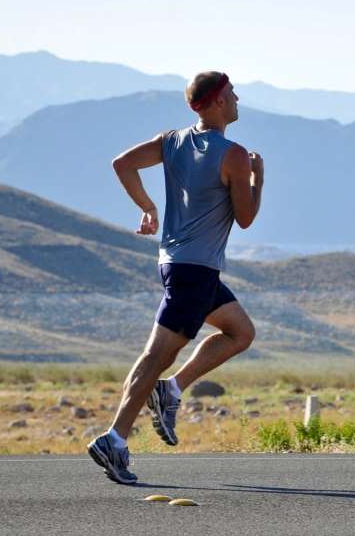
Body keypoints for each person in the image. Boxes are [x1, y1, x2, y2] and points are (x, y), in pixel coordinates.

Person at [87, 71, 263, 484]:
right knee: (155, 356)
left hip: (178, 264)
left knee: (240, 332)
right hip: (195, 271)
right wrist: (258, 177)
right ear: (218, 101)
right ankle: (114, 439)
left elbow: (123, 163)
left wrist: (147, 206)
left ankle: (172, 389)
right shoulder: (234, 155)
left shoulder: (172, 140)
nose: (238, 100)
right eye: (233, 95)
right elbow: (246, 218)